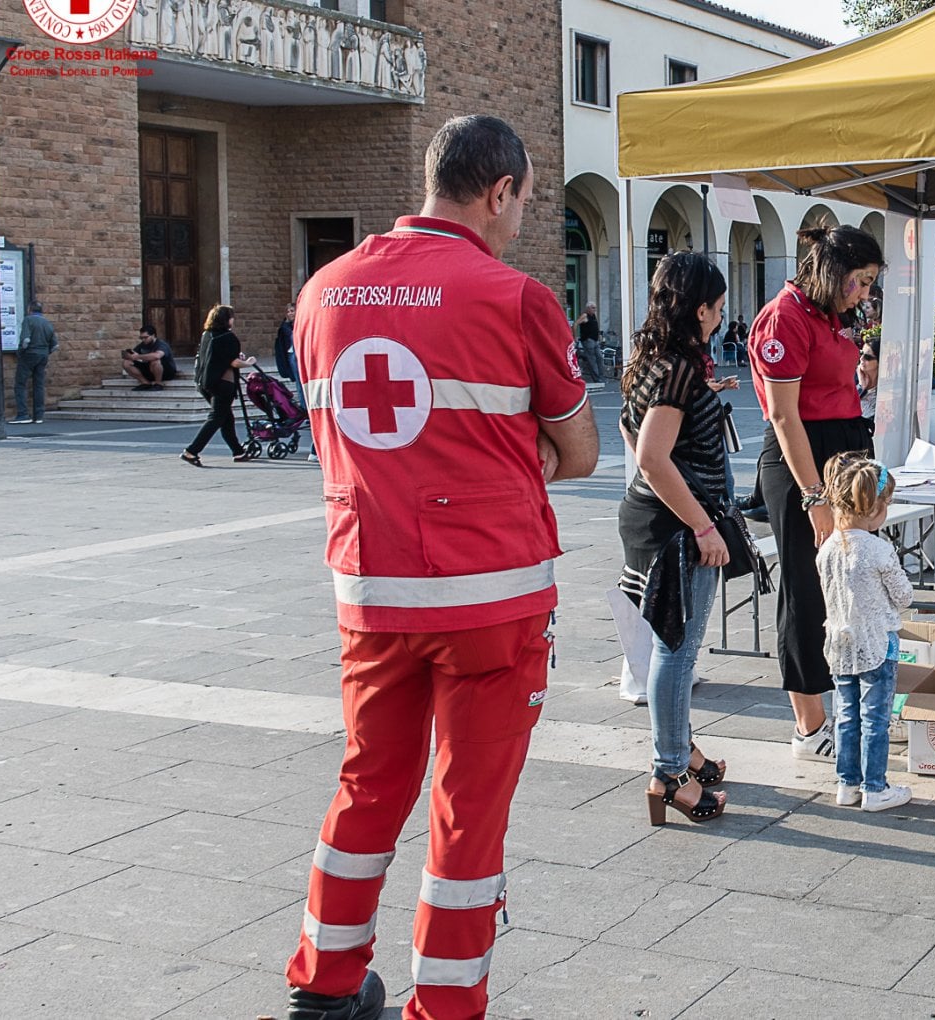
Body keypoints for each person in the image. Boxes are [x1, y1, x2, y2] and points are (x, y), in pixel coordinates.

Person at [283, 115, 596, 1020]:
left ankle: (326, 982)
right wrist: (505, 449)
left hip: (373, 591)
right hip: (491, 600)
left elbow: (337, 442)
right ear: (498, 191)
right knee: (467, 811)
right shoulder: (514, 298)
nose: (519, 223)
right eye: (523, 203)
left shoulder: (322, 294)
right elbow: (575, 451)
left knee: (366, 783)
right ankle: (447, 1007)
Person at [748, 224, 883, 760]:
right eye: (861, 281)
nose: (865, 293)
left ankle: (842, 701)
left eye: (870, 283)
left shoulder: (830, 314)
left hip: (843, 450)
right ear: (834, 271)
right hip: (804, 458)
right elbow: (784, 414)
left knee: (846, 584)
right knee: (807, 587)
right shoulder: (785, 316)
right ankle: (809, 724)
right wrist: (813, 495)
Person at [617, 252, 733, 826]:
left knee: (674, 649)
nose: (718, 318)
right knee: (676, 652)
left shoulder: (654, 361)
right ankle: (669, 772)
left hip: (658, 521)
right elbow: (650, 455)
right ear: (698, 309)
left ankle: (680, 748)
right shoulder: (678, 370)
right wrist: (703, 525)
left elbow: (630, 431)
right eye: (715, 307)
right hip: (677, 530)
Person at [815, 452, 914, 812]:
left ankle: (847, 783)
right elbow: (903, 596)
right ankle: (876, 787)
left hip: (840, 645)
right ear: (873, 508)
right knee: (876, 719)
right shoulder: (878, 549)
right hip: (878, 643)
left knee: (846, 715)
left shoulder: (827, 549)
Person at [181, 305, 257, 466]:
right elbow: (234, 362)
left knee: (226, 418)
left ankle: (238, 452)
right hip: (223, 384)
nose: (233, 320)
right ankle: (191, 451)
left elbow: (217, 356)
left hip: (204, 382)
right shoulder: (228, 337)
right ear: (226, 319)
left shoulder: (207, 335)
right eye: (231, 317)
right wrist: (249, 362)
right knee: (216, 418)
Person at [12, 301, 56, 424]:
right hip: (43, 355)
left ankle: (23, 415)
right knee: (39, 385)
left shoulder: (28, 320)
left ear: (30, 309)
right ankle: (39, 415)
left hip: (30, 354)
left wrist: (20, 352)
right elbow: (54, 345)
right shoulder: (47, 322)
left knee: (20, 384)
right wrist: (45, 353)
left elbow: (26, 340)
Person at [122, 322, 178, 390]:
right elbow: (133, 354)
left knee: (155, 360)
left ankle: (158, 384)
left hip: (166, 372)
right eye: (141, 338)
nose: (143, 340)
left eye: (145, 337)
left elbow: (157, 356)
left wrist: (138, 356)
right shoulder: (142, 345)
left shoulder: (161, 344)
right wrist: (128, 355)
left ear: (153, 335)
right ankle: (145, 383)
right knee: (126, 362)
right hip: (150, 370)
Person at [575, 302, 604, 383]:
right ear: (588, 308)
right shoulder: (585, 315)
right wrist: (574, 337)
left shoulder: (593, 316)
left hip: (595, 340)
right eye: (592, 308)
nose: (594, 309)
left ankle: (601, 376)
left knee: (600, 358)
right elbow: (575, 324)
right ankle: (597, 378)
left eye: (595, 307)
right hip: (588, 340)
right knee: (592, 359)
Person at [856, 337, 880, 421]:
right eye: (861, 353)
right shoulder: (851, 379)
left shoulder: (885, 389)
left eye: (867, 357)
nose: (861, 358)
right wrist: (861, 387)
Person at [275, 301, 298, 382]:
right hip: (292, 355)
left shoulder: (299, 324)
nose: (290, 313)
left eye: (292, 311)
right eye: (288, 312)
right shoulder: (285, 327)